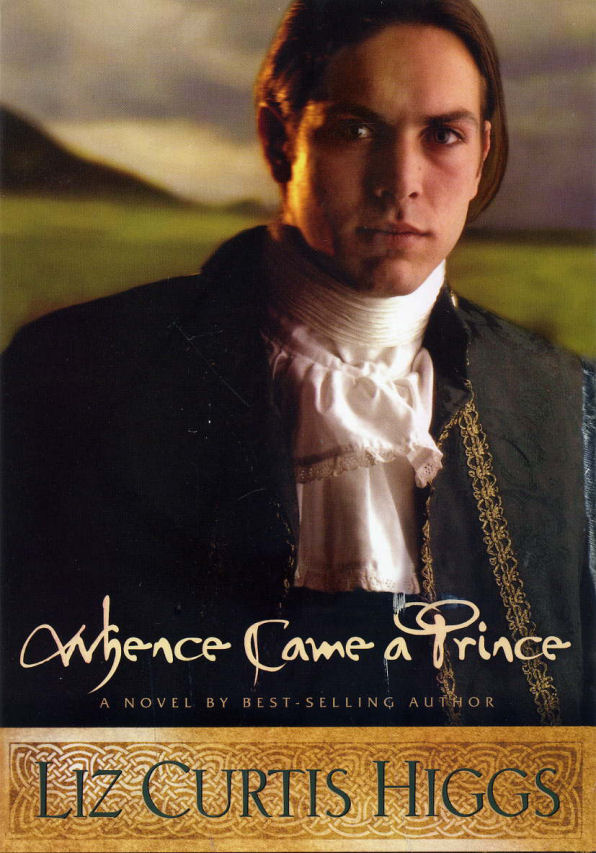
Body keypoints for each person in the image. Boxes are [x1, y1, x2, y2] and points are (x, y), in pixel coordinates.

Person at [2, 0, 593, 727]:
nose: (401, 180)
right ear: (279, 138)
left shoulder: (564, 400)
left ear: (481, 154)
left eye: (444, 134)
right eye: (354, 129)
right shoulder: (73, 371)